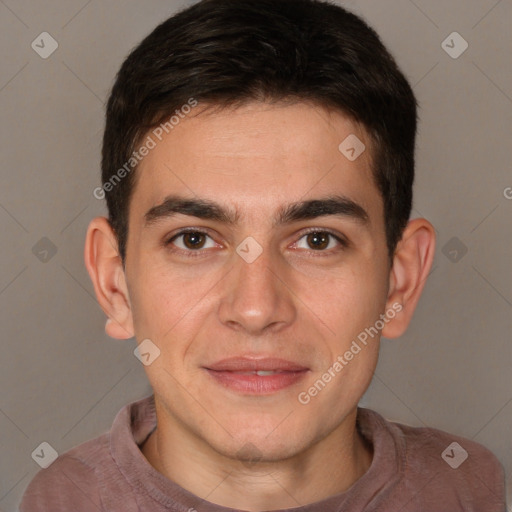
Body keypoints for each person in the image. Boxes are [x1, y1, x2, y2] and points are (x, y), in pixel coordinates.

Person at [20, 0, 506, 510]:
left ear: (400, 280)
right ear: (114, 283)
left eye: (318, 240)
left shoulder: (473, 490)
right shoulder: (58, 499)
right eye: (194, 239)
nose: (256, 309)